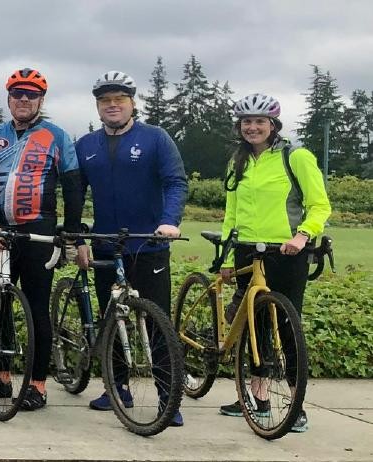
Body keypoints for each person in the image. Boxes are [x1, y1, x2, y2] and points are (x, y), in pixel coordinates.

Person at [72, 71, 188, 426]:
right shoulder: (86, 145)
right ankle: (116, 388)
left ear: (131, 102)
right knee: (112, 318)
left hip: (148, 243)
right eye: (105, 100)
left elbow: (175, 182)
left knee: (157, 321)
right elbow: (76, 194)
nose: (112, 105)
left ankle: (169, 398)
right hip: (105, 243)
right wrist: (78, 237)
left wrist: (169, 221)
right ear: (98, 105)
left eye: (119, 99)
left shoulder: (155, 138)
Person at [0, 68, 84, 411]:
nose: (23, 100)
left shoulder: (56, 135)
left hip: (38, 231)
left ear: (40, 101)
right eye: (17, 94)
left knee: (36, 308)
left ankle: (37, 385)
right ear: (9, 98)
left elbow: (73, 186)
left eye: (30, 95)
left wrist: (70, 232)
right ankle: (2, 379)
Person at [216, 93, 329, 433]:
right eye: (246, 122)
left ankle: (297, 405)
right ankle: (258, 397)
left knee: (287, 327)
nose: (252, 127)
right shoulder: (238, 161)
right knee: (255, 325)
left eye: (259, 122)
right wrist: (224, 253)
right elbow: (231, 212)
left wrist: (303, 235)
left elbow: (319, 204)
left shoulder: (296, 157)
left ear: (273, 125)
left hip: (287, 252)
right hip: (247, 249)